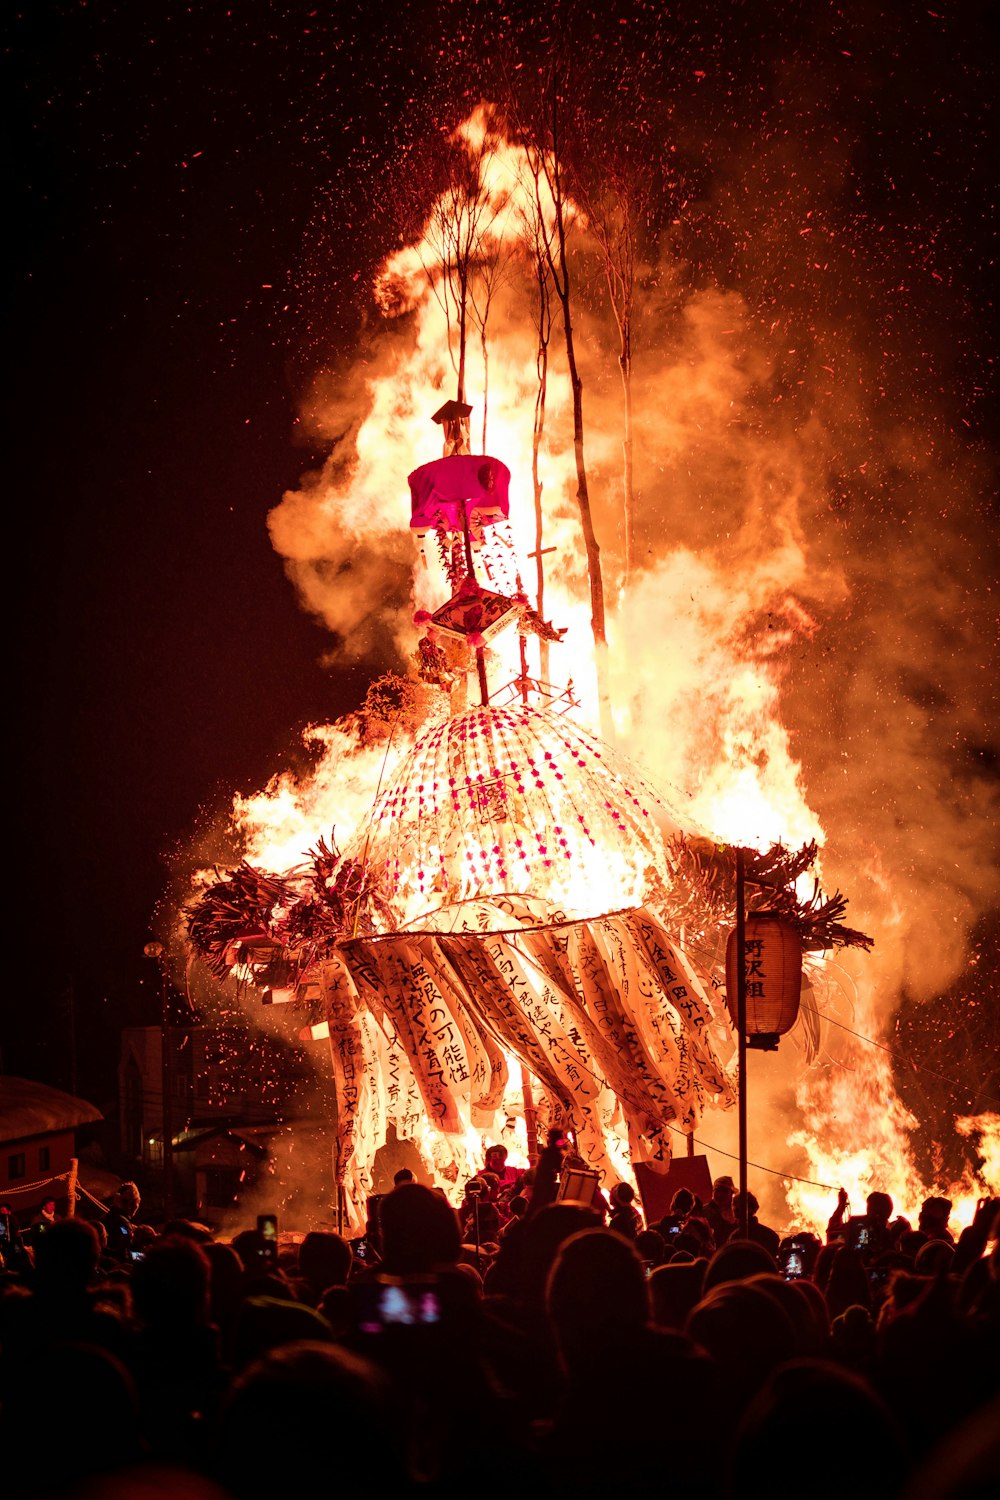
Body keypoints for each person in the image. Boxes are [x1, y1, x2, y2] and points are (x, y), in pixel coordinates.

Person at [105, 1181, 141, 1262]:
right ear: (132, 1204)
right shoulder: (123, 1224)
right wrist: (144, 1257)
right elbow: (124, 1254)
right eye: (137, 1202)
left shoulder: (107, 1217)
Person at [702, 1174, 738, 1248]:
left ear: (731, 1194)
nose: (720, 1194)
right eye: (717, 1190)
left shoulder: (737, 1214)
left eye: (724, 1191)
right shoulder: (703, 1212)